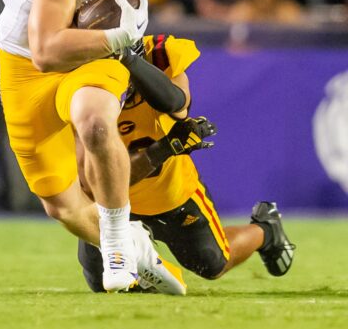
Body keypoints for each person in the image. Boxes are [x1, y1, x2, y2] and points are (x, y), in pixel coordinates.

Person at [0, 0, 185, 293]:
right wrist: (121, 36)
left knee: (95, 120)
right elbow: (46, 50)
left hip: (92, 53)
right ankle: (137, 248)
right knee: (60, 204)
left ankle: (117, 240)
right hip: (29, 54)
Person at [77, 34, 296, 292]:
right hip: (111, 201)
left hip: (170, 193)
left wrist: (130, 61)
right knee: (100, 282)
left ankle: (265, 230)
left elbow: (178, 104)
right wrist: (165, 148)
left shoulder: (161, 54)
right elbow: (93, 184)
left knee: (213, 263)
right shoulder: (77, 90)